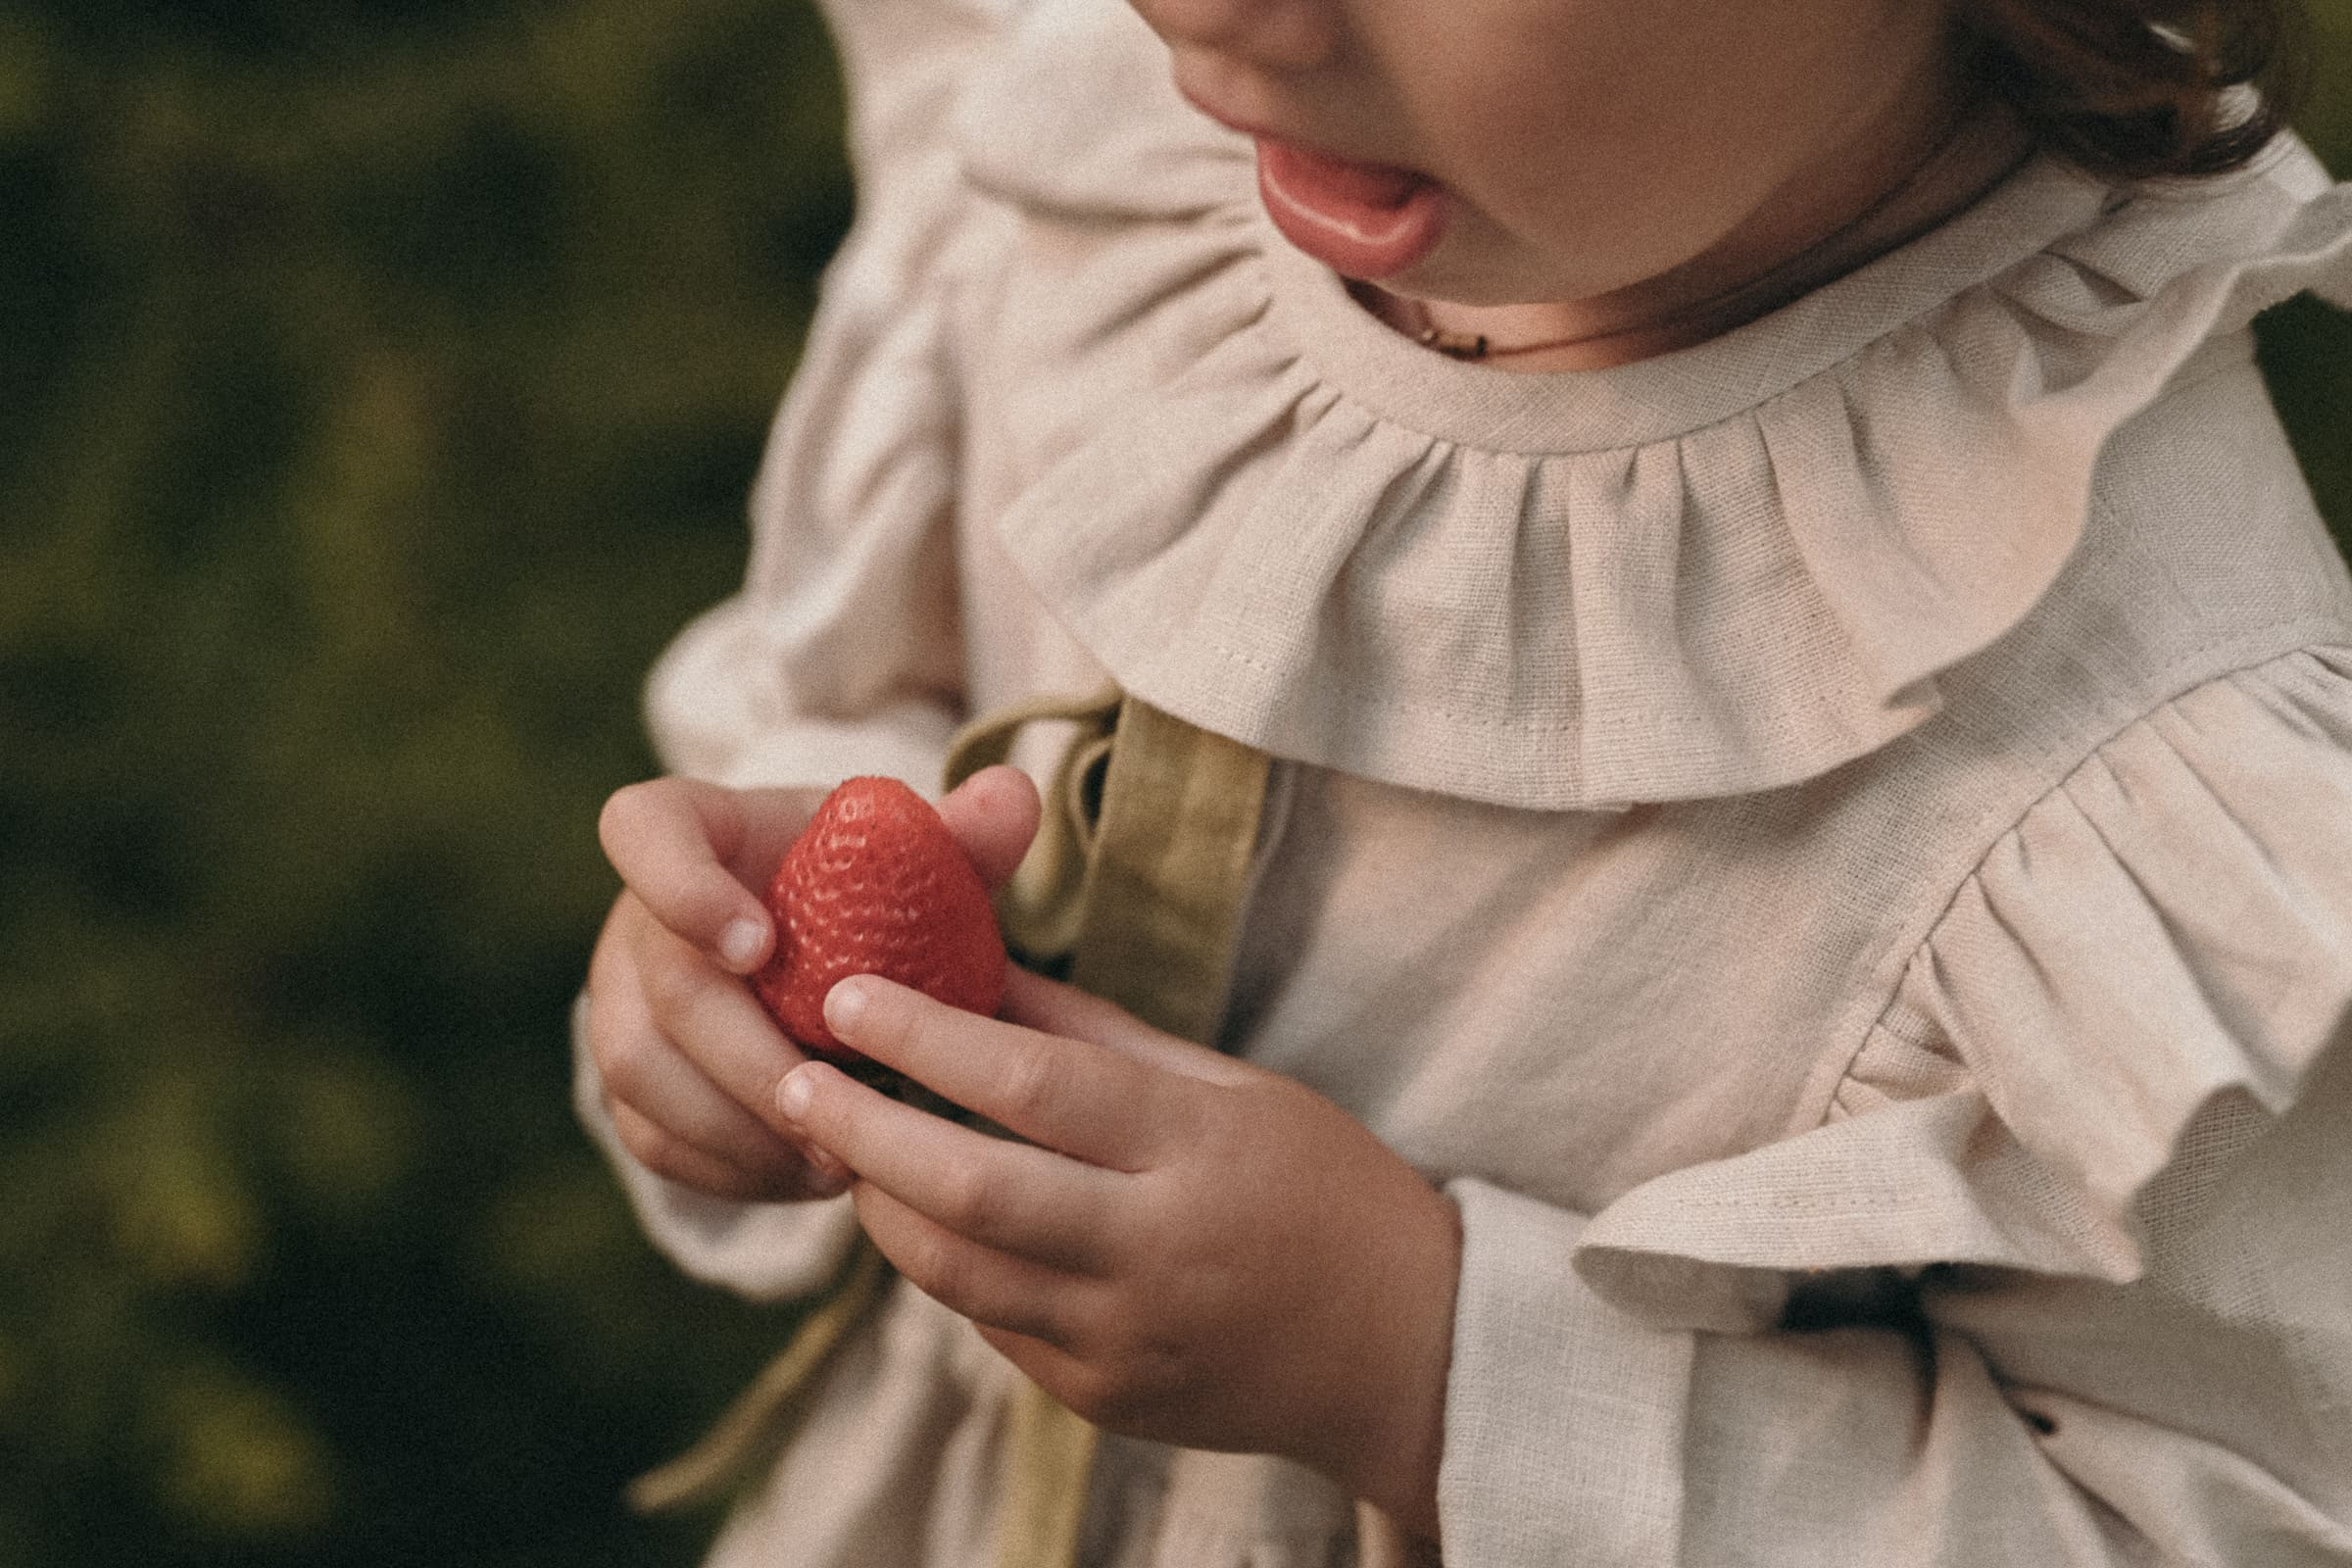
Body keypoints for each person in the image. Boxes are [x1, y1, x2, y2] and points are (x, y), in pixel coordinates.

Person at [577, 0, 2352, 1559]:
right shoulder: (1120, 153)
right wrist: (770, 952)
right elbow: (881, 664)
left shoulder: (2139, 764)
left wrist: (1420, 1367)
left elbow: (2216, 1516)